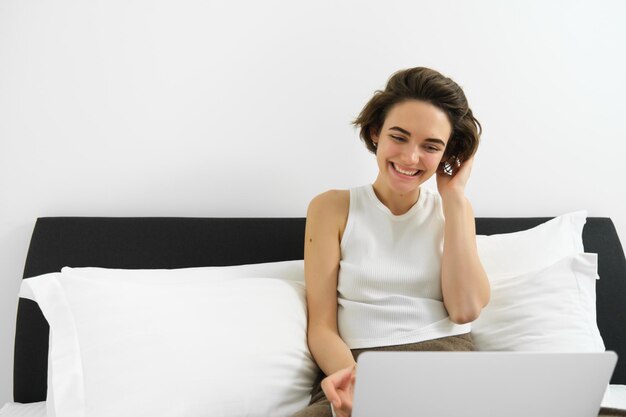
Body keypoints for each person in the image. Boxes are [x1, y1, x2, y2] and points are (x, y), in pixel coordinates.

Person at [291, 67, 490, 417]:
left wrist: (455, 196)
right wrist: (355, 380)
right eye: (399, 137)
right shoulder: (331, 208)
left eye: (431, 147)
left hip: (446, 365)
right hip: (357, 370)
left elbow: (465, 309)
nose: (411, 158)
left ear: (447, 154)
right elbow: (321, 326)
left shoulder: (454, 211)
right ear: (375, 133)